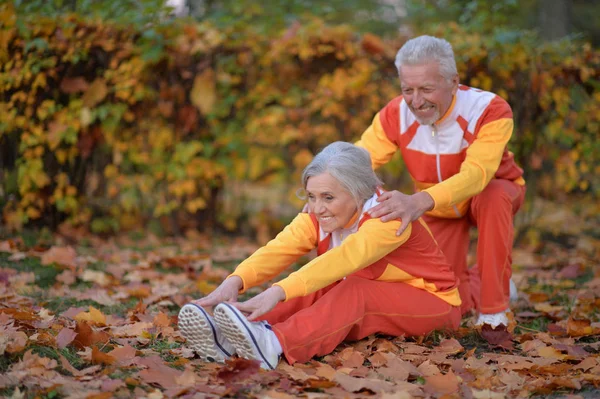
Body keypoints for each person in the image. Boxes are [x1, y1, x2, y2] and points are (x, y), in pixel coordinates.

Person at [178, 141, 461, 369]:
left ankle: (273, 344)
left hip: (434, 304)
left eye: (328, 197)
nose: (317, 208)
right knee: (319, 282)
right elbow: (279, 248)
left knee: (351, 287)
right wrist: (236, 281)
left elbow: (344, 260)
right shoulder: (316, 216)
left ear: (360, 193)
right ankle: (237, 336)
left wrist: (277, 291)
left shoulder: (387, 216)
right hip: (378, 294)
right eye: (311, 196)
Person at [354, 35, 526, 330]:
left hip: (486, 193)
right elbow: (358, 158)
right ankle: (485, 284)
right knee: (450, 300)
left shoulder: (491, 110)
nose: (416, 101)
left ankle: (494, 311)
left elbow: (477, 176)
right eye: (407, 89)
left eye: (426, 89)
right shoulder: (396, 113)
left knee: (493, 195)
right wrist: (325, 181)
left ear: (453, 81)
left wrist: (417, 202)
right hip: (438, 207)